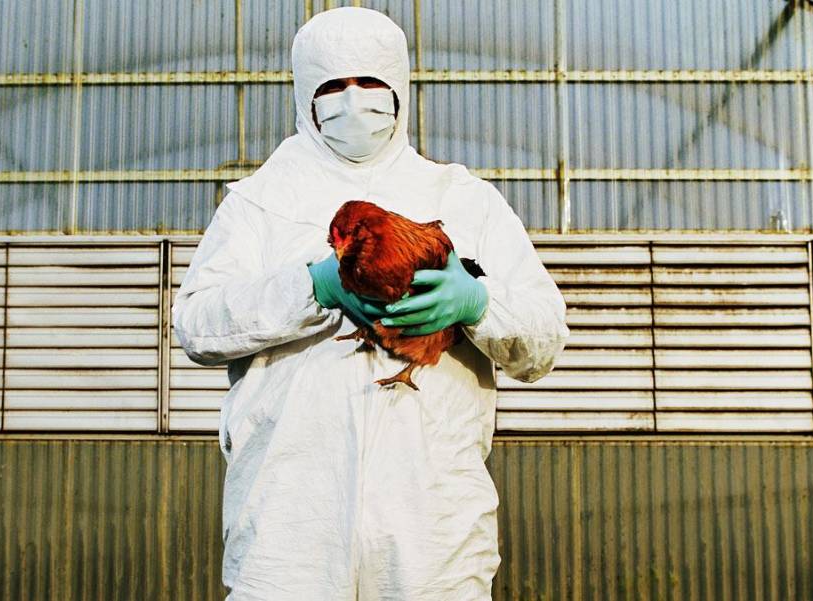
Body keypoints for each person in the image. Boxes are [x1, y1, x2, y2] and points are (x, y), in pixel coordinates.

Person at [172, 7, 569, 600]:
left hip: (431, 522)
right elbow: (198, 325)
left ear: (399, 89)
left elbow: (544, 340)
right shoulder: (260, 203)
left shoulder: (463, 199)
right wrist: (310, 289)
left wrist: (479, 303)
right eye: (333, 86)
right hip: (289, 520)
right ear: (306, 95)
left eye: (369, 83)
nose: (353, 101)